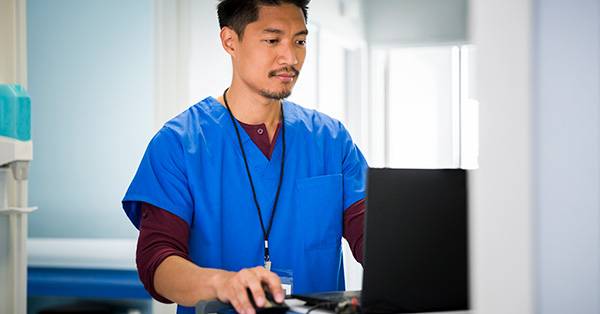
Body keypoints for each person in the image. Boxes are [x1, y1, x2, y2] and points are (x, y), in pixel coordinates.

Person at [122, 1, 367, 313]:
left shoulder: (331, 140)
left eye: (300, 41)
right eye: (272, 40)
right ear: (229, 41)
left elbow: (372, 235)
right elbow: (156, 263)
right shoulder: (179, 144)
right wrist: (222, 284)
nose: (291, 57)